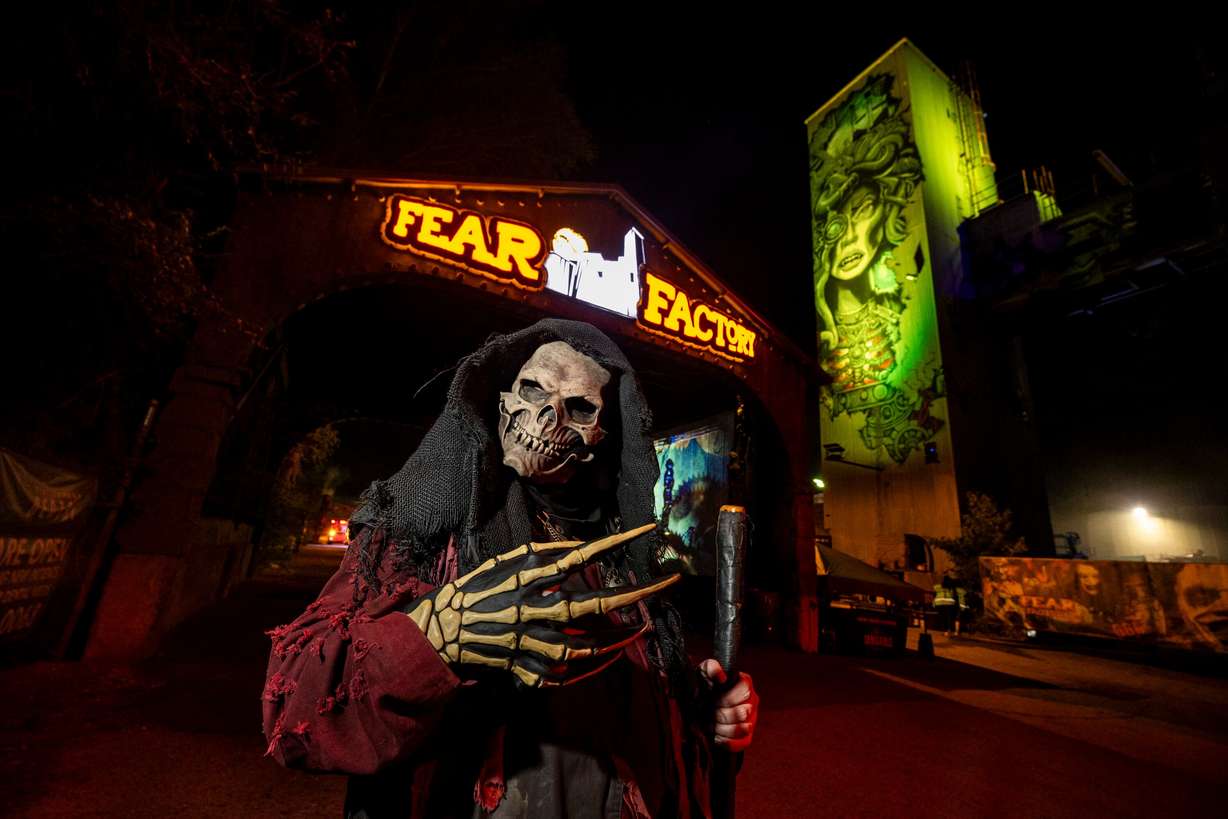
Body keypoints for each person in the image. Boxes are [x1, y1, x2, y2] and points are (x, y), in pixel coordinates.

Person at [262, 319, 758, 818]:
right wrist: (431, 637)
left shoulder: (621, 560)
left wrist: (709, 714)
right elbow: (294, 712)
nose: (545, 417)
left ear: (601, 439)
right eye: (533, 390)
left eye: (579, 408)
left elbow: (652, 729)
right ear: (502, 398)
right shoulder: (426, 536)